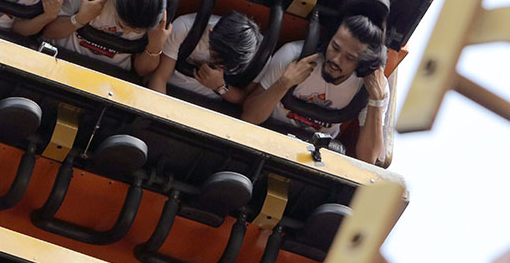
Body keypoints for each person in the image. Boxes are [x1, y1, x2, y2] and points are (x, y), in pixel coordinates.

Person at [241, 15, 390, 163]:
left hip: (317, 155)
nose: (336, 59)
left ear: (363, 64)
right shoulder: (293, 55)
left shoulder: (370, 87)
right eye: (335, 47)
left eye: (349, 58)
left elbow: (369, 158)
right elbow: (249, 117)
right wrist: (284, 83)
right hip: (269, 134)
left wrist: (377, 100)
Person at [42, 0, 169, 76]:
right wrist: (80, 19)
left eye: (136, 31)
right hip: (62, 58)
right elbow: (47, 31)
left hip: (111, 75)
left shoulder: (155, 20)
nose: (127, 31)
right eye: (122, 25)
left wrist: (155, 44)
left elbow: (142, 72)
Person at [147, 10, 261, 104]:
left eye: (225, 64)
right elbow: (159, 78)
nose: (219, 64)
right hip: (170, 90)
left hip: (211, 104)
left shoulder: (257, 53)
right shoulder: (185, 27)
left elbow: (246, 101)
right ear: (211, 33)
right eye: (216, 57)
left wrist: (220, 87)